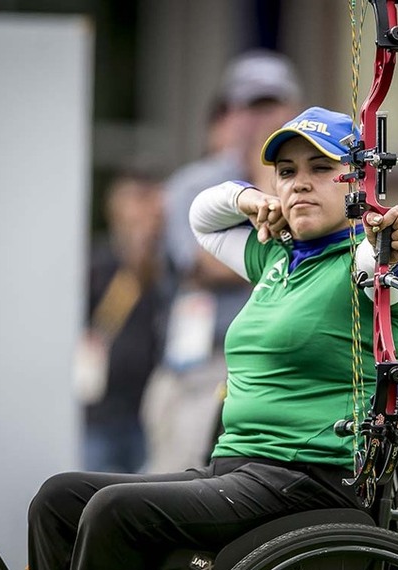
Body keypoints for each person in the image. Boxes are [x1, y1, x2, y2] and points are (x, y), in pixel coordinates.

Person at [27, 106, 398, 570]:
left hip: (306, 480)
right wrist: (248, 199)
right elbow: (202, 218)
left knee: (114, 510)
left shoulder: (363, 265)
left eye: (321, 168)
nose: (300, 183)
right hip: (235, 470)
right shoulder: (276, 257)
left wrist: (390, 237)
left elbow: (383, 255)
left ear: (358, 183)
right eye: (287, 172)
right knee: (57, 499)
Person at [143, 50, 303, 473]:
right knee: (180, 482)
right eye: (252, 107)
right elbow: (204, 264)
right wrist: (268, 198)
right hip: (202, 366)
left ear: (293, 110)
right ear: (230, 114)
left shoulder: (309, 182)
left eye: (273, 105)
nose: (263, 119)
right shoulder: (194, 183)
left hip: (279, 368)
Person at [74, 168, 170, 473]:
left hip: (149, 409)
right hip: (101, 412)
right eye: (137, 202)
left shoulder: (165, 267)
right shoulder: (97, 263)